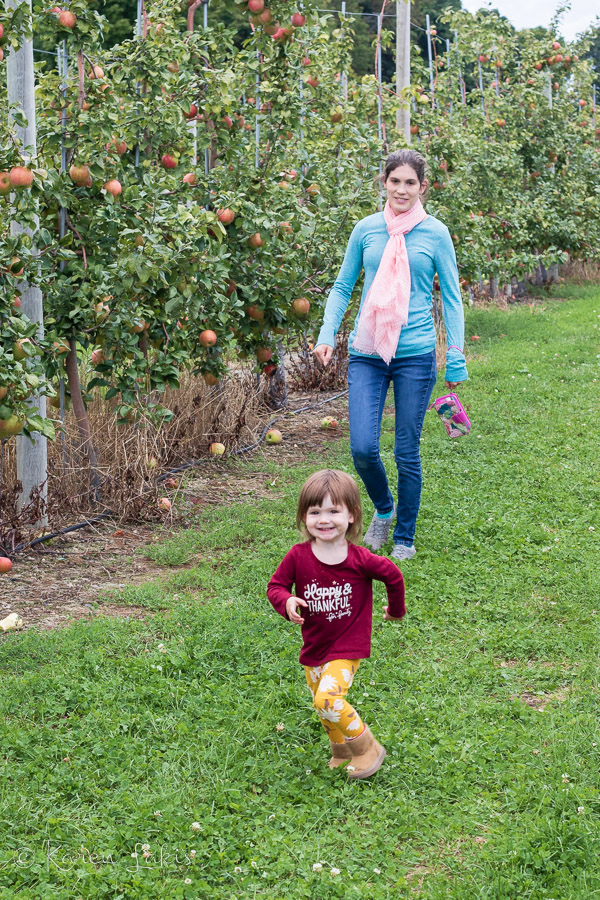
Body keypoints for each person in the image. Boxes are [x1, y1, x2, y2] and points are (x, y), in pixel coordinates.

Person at [313, 149, 468, 561]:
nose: (401, 189)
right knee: (363, 447)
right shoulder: (366, 229)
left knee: (405, 449)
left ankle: (404, 535)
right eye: (394, 181)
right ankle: (384, 507)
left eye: (410, 183)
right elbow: (342, 287)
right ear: (383, 181)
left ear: (423, 187)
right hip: (367, 350)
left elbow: (451, 299)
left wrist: (455, 354)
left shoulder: (435, 233)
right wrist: (328, 332)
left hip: (415, 353)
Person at [267, 469, 405, 779]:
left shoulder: (360, 559)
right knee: (323, 708)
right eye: (315, 511)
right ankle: (341, 751)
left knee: (327, 698)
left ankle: (367, 748)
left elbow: (393, 575)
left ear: (353, 516)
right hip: (315, 645)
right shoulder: (297, 556)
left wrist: (396, 611)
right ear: (304, 517)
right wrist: (286, 601)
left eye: (333, 511)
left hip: (347, 645)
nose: (324, 519)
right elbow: (275, 586)